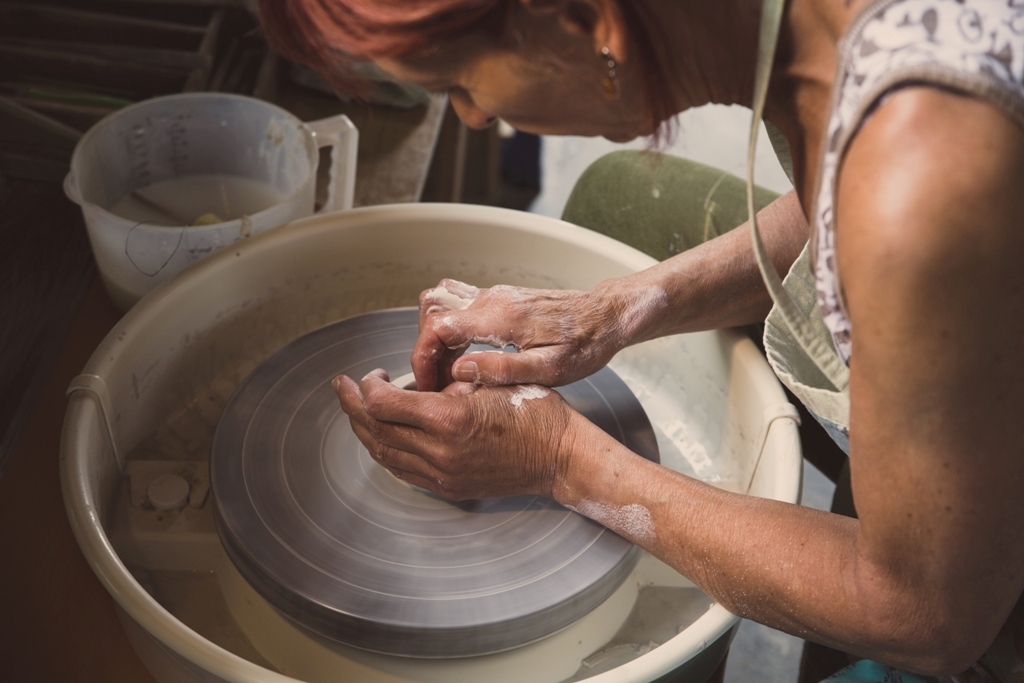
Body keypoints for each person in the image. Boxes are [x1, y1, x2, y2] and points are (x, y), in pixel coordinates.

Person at [261, 0, 1024, 681]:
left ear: (592, 25)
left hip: (961, 600)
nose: (469, 116)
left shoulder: (920, 177)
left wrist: (559, 458)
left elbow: (924, 617)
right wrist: (617, 308)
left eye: (457, 84)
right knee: (616, 196)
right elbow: (832, 197)